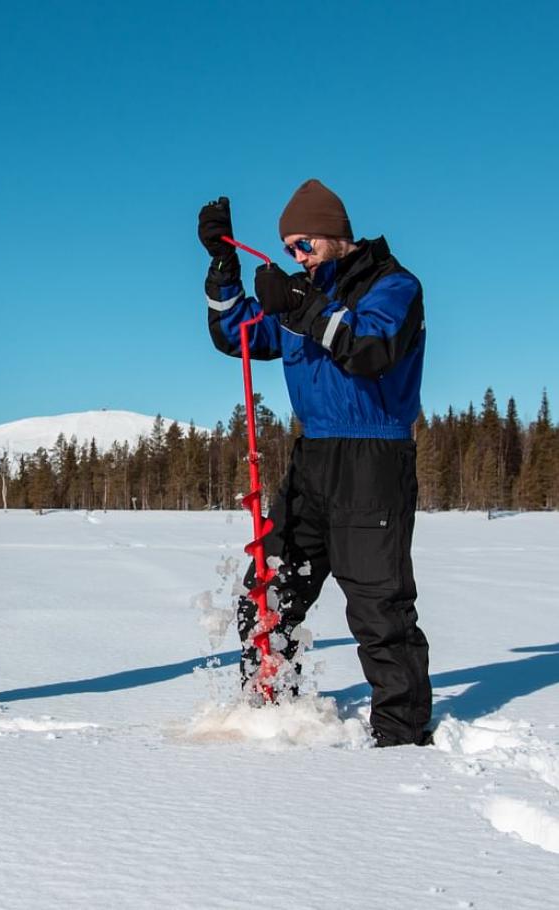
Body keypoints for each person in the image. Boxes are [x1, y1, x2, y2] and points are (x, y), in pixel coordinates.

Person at [198, 180, 432, 747]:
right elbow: (237, 334)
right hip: (313, 460)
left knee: (379, 606)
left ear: (336, 235)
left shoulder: (393, 286)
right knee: (269, 591)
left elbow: (369, 348)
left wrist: (300, 306)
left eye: (304, 244)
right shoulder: (301, 296)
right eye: (289, 250)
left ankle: (400, 736)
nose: (297, 257)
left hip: (372, 459)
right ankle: (273, 706)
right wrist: (223, 267)